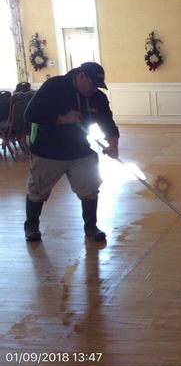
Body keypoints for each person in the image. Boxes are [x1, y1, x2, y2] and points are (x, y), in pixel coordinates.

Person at [24, 62, 120, 242]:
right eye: (92, 85)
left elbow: (107, 122)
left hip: (80, 150)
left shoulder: (97, 97)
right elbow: (31, 114)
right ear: (82, 76)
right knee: (37, 190)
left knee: (90, 188)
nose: (94, 90)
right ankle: (31, 225)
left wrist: (113, 143)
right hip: (48, 150)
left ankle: (91, 226)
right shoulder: (55, 86)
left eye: (97, 87)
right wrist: (62, 119)